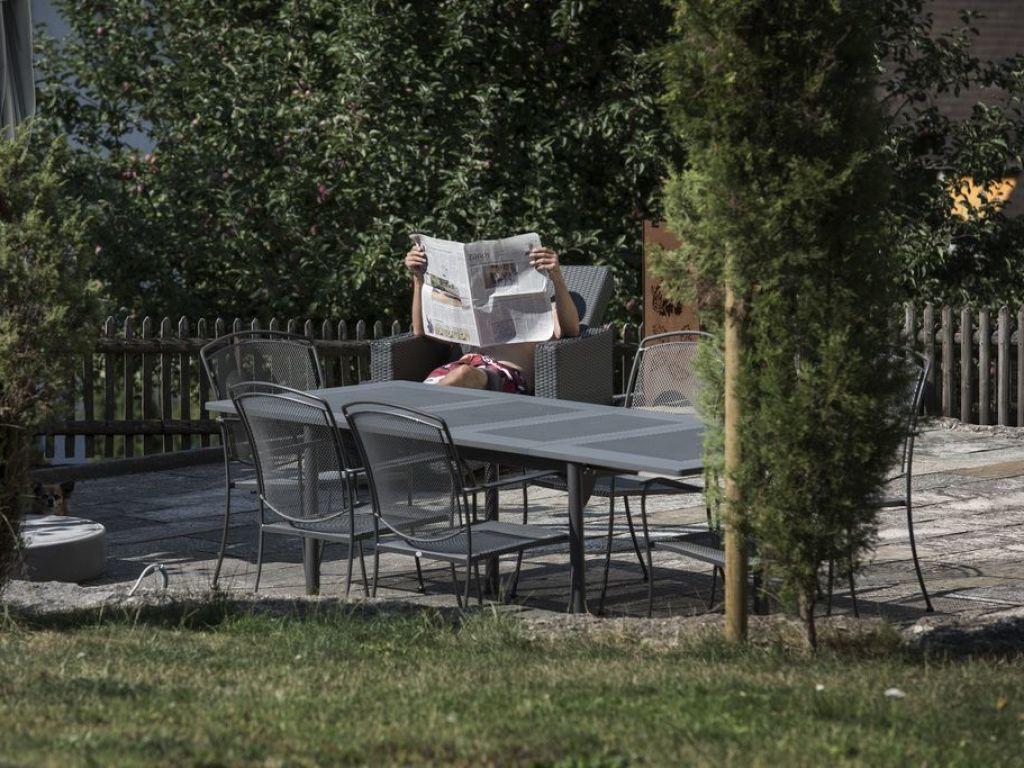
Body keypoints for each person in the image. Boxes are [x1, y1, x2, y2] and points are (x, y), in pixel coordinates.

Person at [404, 242, 580, 394]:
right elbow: (421, 330)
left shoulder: (548, 307)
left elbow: (571, 330)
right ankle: (415, 409)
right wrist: (418, 279)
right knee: (460, 374)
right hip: (454, 371)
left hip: (504, 377)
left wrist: (557, 278)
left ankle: (413, 411)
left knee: (463, 375)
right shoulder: (481, 305)